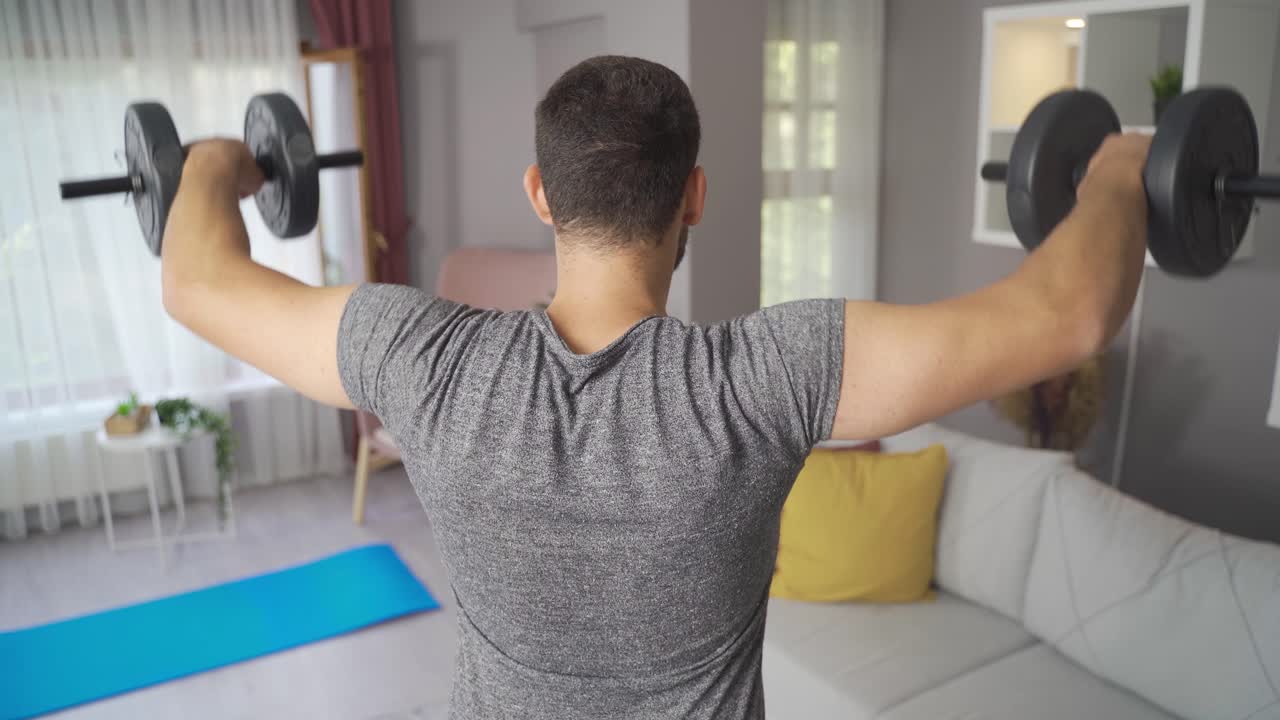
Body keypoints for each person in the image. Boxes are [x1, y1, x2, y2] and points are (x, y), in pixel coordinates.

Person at [161, 56, 1149, 719]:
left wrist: (213, 167)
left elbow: (197, 283)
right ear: (695, 196)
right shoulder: (765, 381)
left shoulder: (429, 362)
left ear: (540, 195)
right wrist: (1116, 173)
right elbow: (1064, 314)